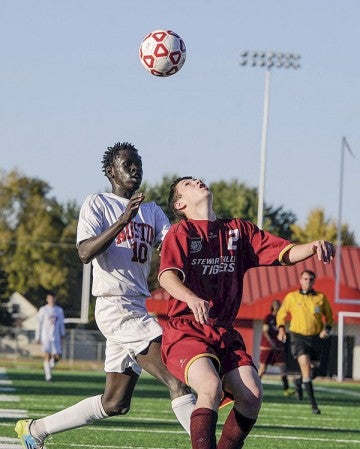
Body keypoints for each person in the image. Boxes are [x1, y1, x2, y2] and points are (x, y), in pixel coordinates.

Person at [15, 142, 195, 449]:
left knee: (115, 402)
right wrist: (122, 221)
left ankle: (37, 429)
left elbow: (174, 249)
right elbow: (85, 252)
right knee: (177, 380)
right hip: (115, 306)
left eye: (139, 164)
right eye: (128, 164)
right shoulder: (97, 203)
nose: (135, 169)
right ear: (111, 171)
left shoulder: (152, 211)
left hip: (136, 306)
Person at [158, 176, 335, 449]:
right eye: (189, 184)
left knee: (252, 395)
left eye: (198, 179)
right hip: (186, 329)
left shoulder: (238, 230)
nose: (199, 181)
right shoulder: (180, 233)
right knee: (210, 386)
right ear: (180, 203)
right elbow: (167, 277)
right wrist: (191, 298)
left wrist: (312, 247)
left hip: (224, 332)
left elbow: (283, 253)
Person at [277, 269, 334, 414]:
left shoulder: (320, 297)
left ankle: (299, 381)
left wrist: (326, 330)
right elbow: (281, 314)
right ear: (300, 280)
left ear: (314, 281)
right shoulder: (292, 297)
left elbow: (329, 317)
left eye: (310, 279)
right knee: (306, 366)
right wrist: (281, 329)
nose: (308, 282)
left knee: (314, 371)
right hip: (298, 337)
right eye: (305, 279)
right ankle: (314, 406)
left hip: (315, 338)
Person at [258, 299, 294, 396]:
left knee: (283, 367)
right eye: (276, 305)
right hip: (268, 347)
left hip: (278, 347)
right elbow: (265, 331)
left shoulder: (280, 319)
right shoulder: (268, 317)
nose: (277, 306)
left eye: (279, 305)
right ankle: (255, 386)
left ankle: (286, 389)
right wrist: (271, 342)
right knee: (263, 368)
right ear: (272, 306)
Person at [35, 291, 65, 382]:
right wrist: (38, 336)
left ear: (55, 299)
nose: (51, 299)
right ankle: (48, 377)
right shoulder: (43, 309)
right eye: (49, 298)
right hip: (46, 336)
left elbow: (61, 324)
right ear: (47, 299)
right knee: (47, 355)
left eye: (53, 298)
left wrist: (63, 335)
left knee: (58, 356)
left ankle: (48, 367)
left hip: (56, 336)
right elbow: (39, 324)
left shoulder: (59, 310)